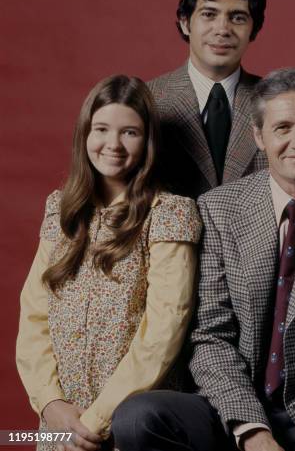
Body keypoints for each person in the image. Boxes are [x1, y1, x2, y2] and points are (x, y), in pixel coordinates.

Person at [112, 68, 295, 451]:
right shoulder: (218, 209)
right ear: (259, 136)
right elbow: (210, 335)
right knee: (137, 418)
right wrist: (252, 432)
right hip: (236, 407)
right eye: (282, 127)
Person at [16, 75, 202, 451]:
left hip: (127, 423)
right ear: (85, 134)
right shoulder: (62, 209)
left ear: (147, 140)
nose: (113, 145)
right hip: (60, 424)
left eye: (130, 132)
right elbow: (33, 314)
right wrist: (51, 404)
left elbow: (164, 330)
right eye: (101, 129)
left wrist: (94, 421)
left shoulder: (169, 213)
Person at [150, 0, 268, 199]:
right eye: (209, 14)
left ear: (253, 30)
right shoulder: (148, 101)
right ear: (185, 22)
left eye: (237, 17)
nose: (222, 29)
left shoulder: (276, 101)